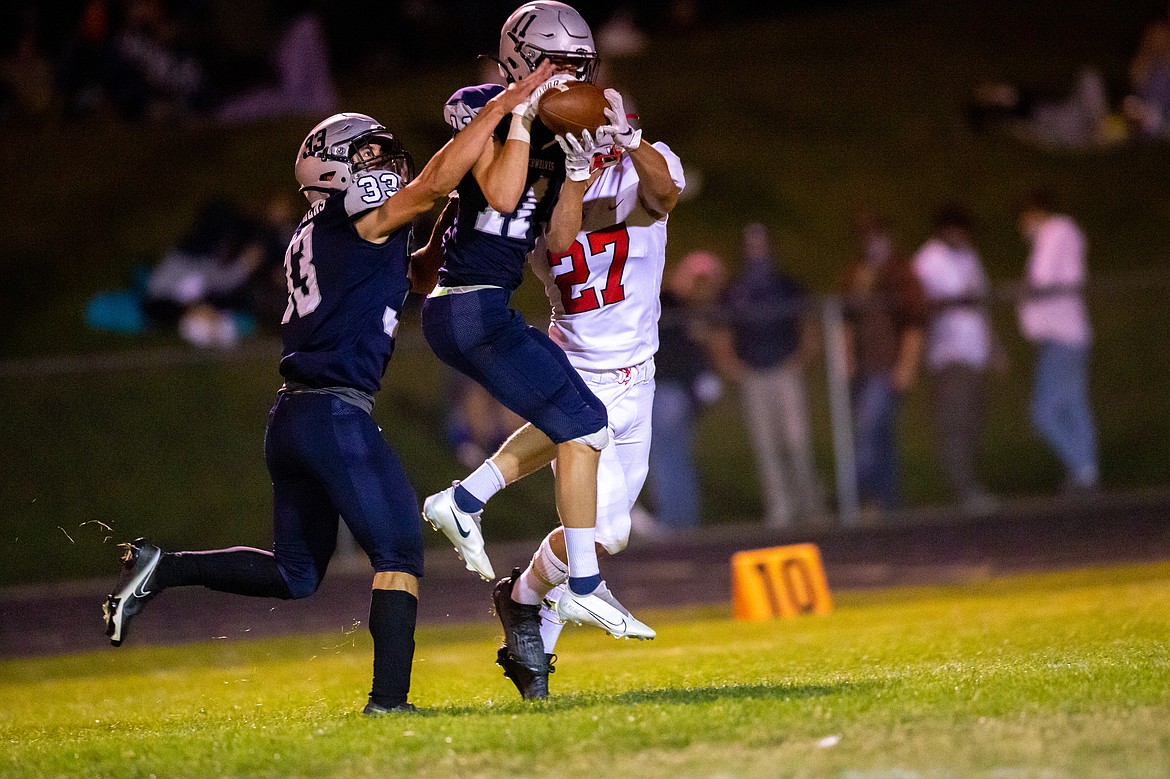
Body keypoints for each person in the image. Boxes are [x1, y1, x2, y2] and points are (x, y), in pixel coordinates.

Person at [101, 66, 555, 717]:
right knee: (398, 549)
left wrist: (450, 218)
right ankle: (389, 704)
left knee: (296, 573)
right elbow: (429, 182)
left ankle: (161, 567)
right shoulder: (354, 219)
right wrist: (509, 105)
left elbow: (417, 275)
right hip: (332, 413)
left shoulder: (326, 233)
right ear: (336, 171)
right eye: (368, 154)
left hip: (293, 416)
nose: (383, 162)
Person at [431, 59, 683, 699]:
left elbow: (665, 193)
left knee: (612, 533)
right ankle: (540, 632)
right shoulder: (546, 192)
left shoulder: (650, 162)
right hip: (579, 358)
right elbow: (565, 240)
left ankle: (521, 598)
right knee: (589, 507)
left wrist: (626, 139)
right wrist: (575, 174)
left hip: (641, 371)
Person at [708, 223, 823, 527]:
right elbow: (721, 330)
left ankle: (810, 505)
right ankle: (780, 507)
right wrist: (731, 365)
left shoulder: (785, 284)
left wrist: (803, 357)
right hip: (754, 375)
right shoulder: (735, 289)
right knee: (766, 444)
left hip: (785, 370)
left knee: (797, 440)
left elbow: (807, 320)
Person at [912, 205, 998, 513]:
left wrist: (994, 347)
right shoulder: (926, 261)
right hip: (948, 352)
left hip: (974, 351)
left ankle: (970, 484)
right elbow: (920, 306)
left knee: (974, 421)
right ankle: (963, 489)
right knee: (955, 422)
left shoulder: (968, 256)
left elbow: (982, 300)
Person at [841, 211, 928, 514]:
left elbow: (915, 322)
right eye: (865, 236)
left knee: (869, 429)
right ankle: (888, 504)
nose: (870, 242)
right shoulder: (857, 271)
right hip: (864, 369)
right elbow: (846, 318)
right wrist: (847, 357)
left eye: (875, 234)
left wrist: (907, 365)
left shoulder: (901, 272)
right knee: (881, 435)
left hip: (887, 366)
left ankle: (850, 491)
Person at [1016, 191, 1099, 493]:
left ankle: (1083, 468)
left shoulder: (1055, 231)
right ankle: (1086, 471)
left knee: (1044, 413)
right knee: (1075, 407)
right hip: (1073, 334)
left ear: (1035, 214)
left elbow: (1042, 277)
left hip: (1061, 336)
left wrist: (1024, 298)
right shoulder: (1068, 233)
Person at [643, 251, 725, 533]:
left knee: (667, 456)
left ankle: (674, 521)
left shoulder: (680, 308)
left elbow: (687, 354)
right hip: (672, 390)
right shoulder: (669, 303)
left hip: (668, 390)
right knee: (672, 456)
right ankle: (680, 519)